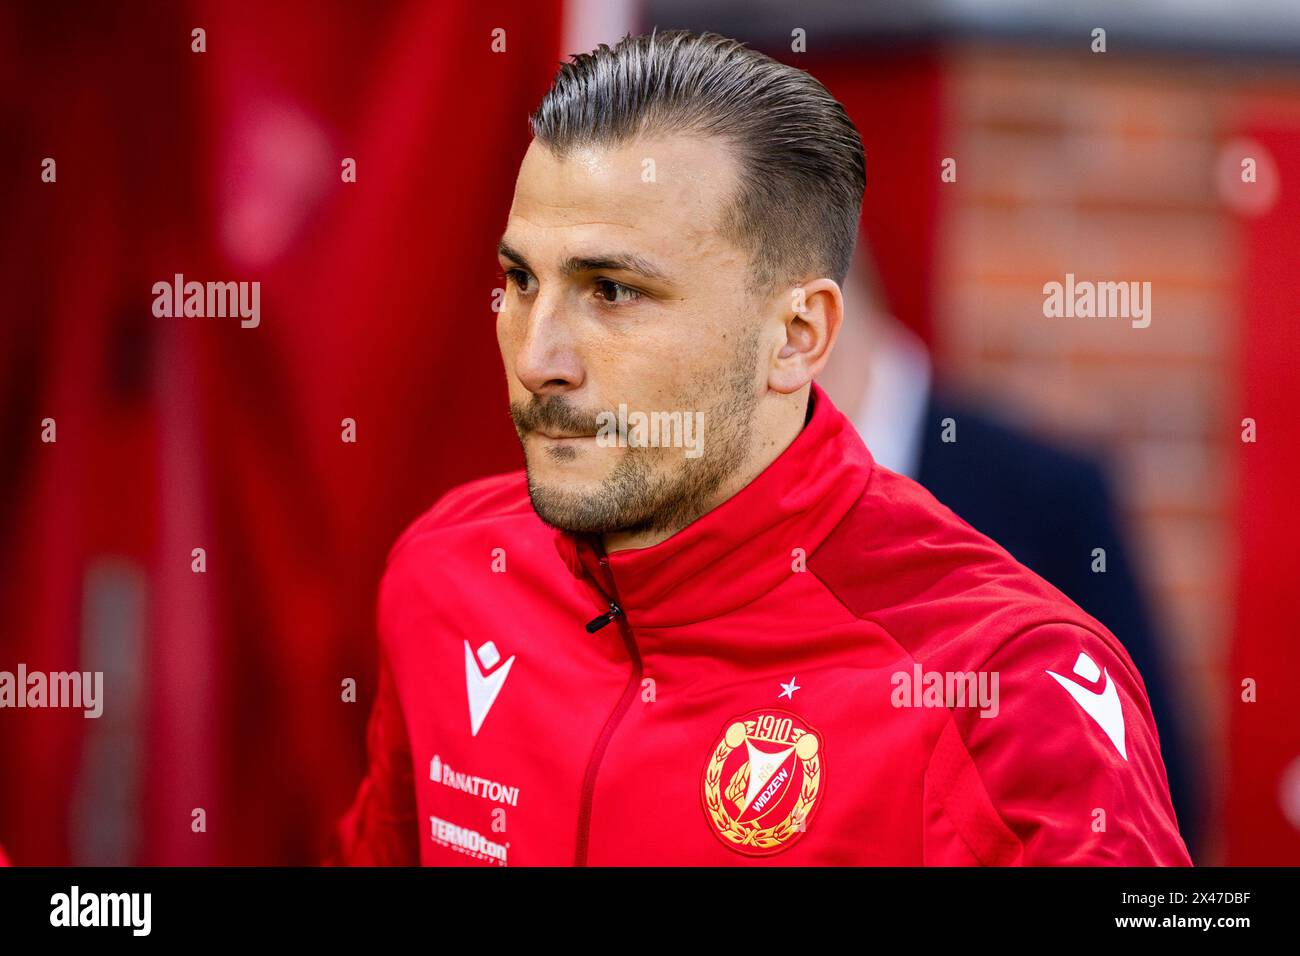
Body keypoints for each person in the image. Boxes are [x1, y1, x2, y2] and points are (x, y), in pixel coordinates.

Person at [327, 29, 1190, 866]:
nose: (538, 356)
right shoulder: (450, 574)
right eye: (521, 280)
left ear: (796, 335)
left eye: (614, 290)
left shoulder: (1009, 683)